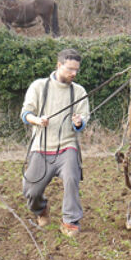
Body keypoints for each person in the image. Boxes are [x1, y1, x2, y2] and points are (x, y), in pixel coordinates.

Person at [21, 48, 89, 237]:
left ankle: (70, 221)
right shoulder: (38, 87)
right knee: (30, 190)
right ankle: (41, 209)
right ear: (59, 66)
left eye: (76, 70)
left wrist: (79, 123)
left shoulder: (79, 91)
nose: (73, 74)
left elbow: (84, 120)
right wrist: (37, 120)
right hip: (41, 148)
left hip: (68, 147)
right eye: (69, 69)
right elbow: (25, 114)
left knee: (71, 178)